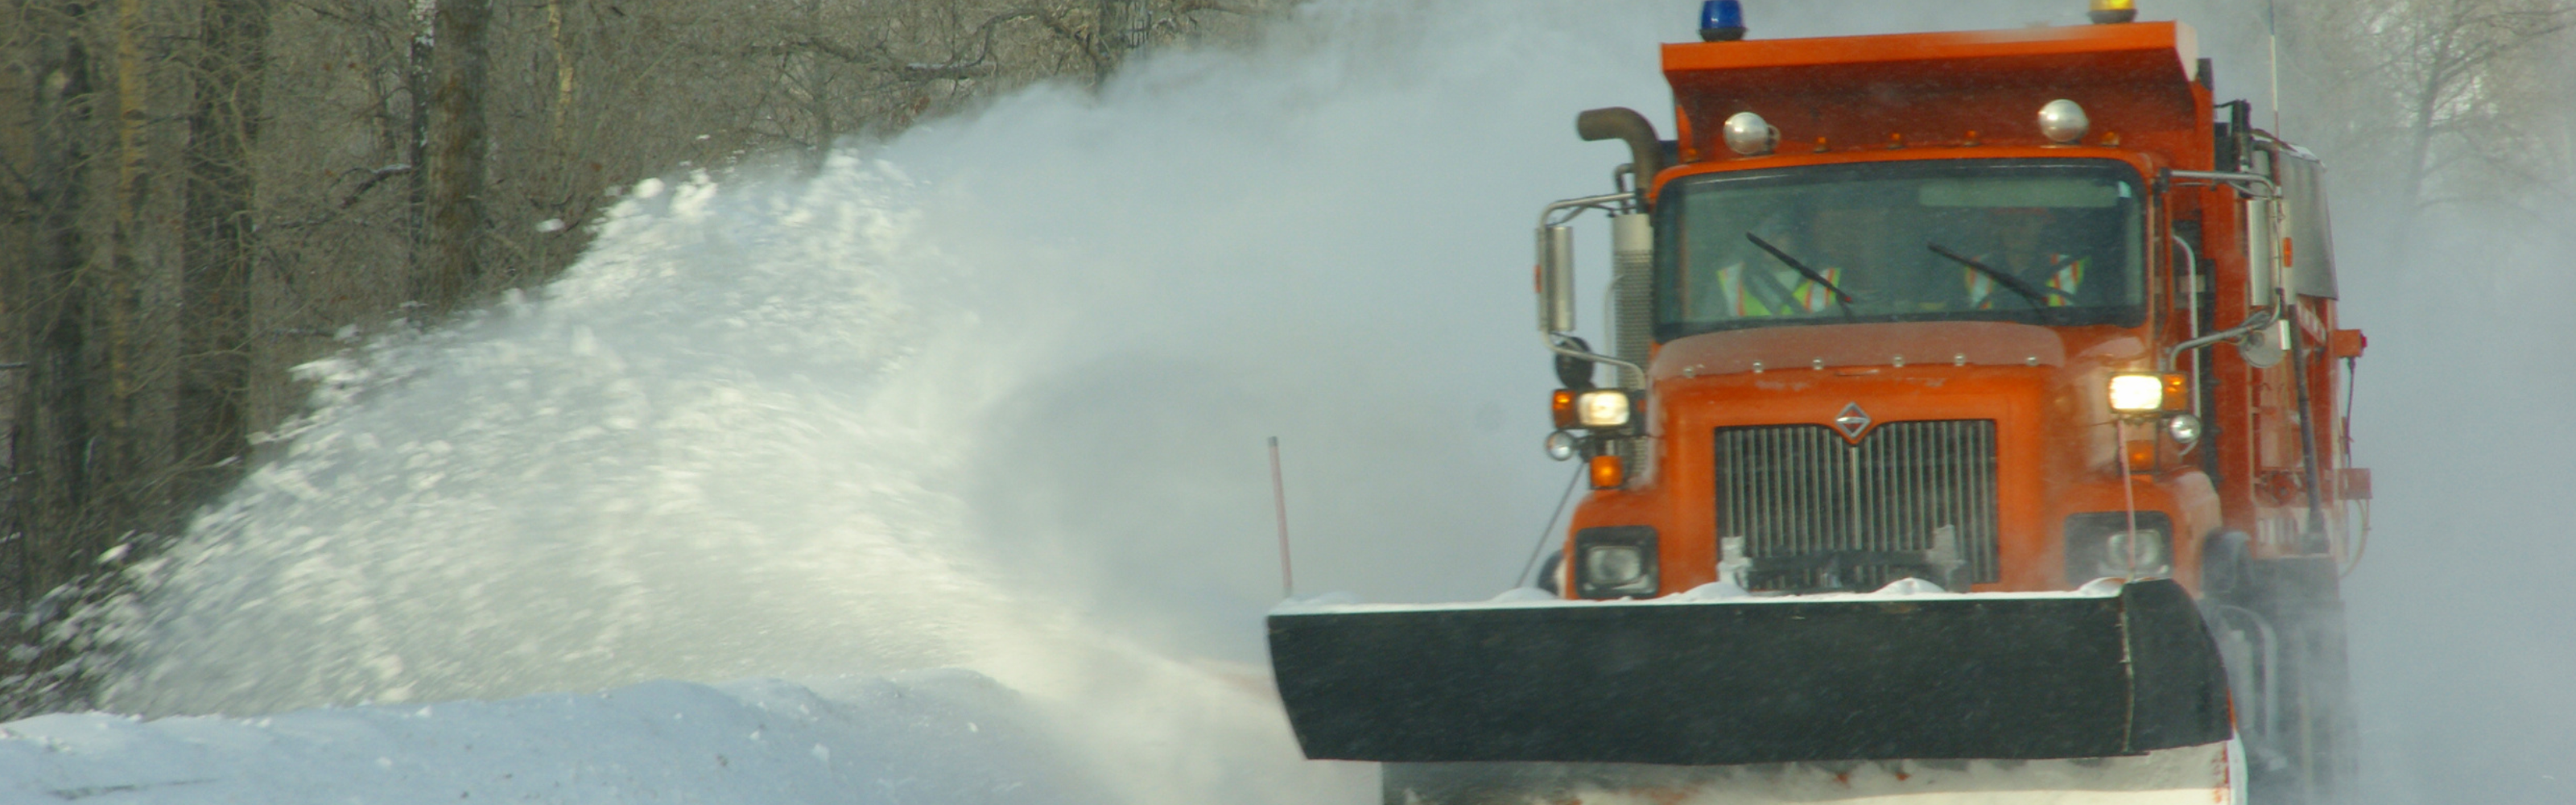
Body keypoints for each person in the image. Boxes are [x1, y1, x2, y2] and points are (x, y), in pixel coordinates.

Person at [1962, 206, 2088, 309]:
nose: (2014, 230)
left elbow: (2089, 318)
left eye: (2022, 223)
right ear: (2000, 229)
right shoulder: (1974, 267)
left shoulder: (2070, 267)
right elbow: (1958, 319)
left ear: (2040, 225)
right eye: (2007, 223)